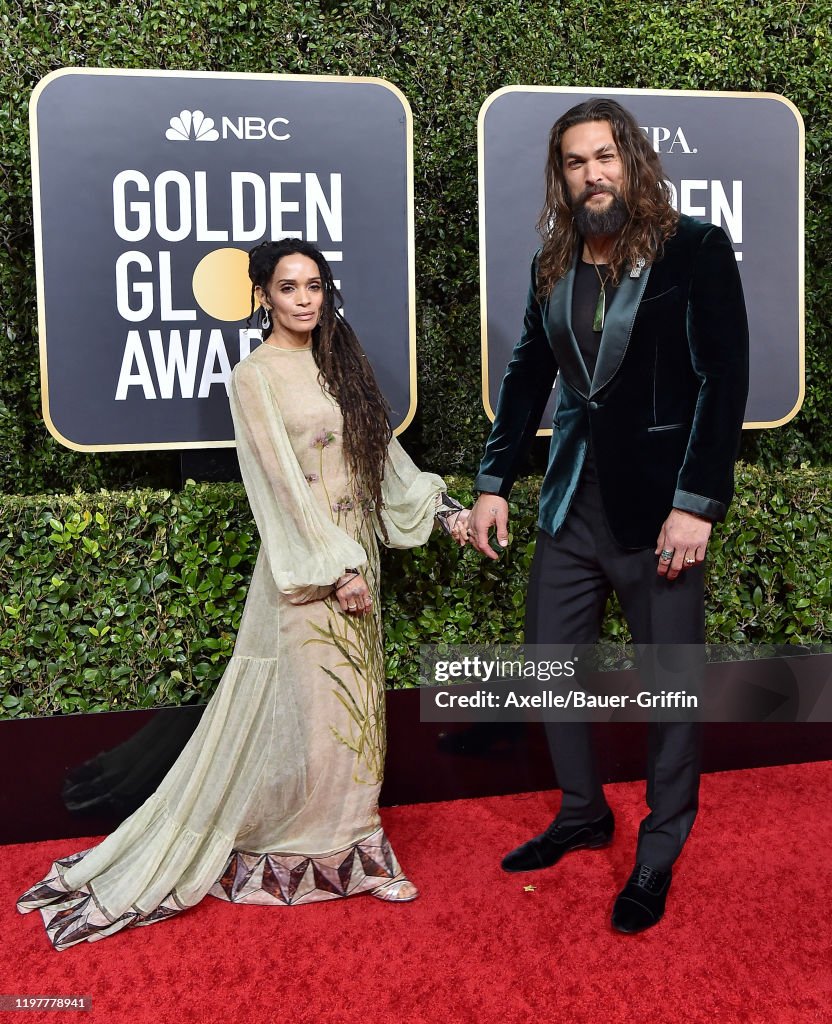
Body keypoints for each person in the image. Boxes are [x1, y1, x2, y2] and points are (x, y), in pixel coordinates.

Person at [18, 239, 468, 950]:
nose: (304, 299)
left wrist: (446, 515)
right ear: (263, 295)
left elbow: (382, 457)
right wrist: (337, 567)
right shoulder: (253, 376)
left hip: (359, 562)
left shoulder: (341, 364)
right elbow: (280, 490)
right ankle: (308, 844)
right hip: (310, 570)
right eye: (288, 287)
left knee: (359, 717)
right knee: (317, 716)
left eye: (314, 285)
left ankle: (358, 849)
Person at [466, 98, 748, 933]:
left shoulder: (692, 248)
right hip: (570, 505)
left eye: (605, 157)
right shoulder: (552, 263)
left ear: (632, 160)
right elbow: (525, 376)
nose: (593, 174)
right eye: (575, 162)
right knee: (549, 664)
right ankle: (584, 812)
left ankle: (658, 851)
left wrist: (695, 504)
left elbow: (722, 382)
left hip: (660, 511)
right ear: (561, 177)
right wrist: (494, 481)